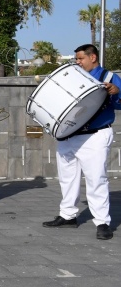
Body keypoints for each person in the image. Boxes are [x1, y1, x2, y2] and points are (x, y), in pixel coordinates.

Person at [42, 44, 119, 240]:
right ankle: (68, 215)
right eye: (76, 59)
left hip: (95, 135)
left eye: (80, 59)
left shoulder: (109, 78)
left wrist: (116, 92)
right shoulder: (74, 76)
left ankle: (102, 222)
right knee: (67, 177)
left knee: (96, 179)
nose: (77, 62)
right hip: (69, 134)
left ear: (93, 57)